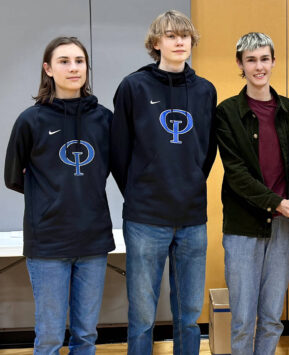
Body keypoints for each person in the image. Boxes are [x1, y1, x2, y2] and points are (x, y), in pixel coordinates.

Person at [110, 10, 217, 355]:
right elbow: (120, 151)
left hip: (191, 219)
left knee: (188, 316)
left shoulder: (204, 91)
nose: (179, 41)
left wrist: (189, 184)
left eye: (184, 36)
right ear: (156, 43)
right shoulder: (133, 87)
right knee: (142, 316)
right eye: (171, 36)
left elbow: (207, 150)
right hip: (145, 218)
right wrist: (141, 192)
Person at [4, 36, 114, 355]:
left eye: (79, 61)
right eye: (64, 61)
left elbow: (111, 168)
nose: (73, 67)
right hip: (48, 243)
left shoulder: (104, 119)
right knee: (50, 338)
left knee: (85, 335)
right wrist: (52, 196)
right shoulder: (31, 120)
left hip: (93, 241)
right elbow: (14, 177)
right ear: (48, 69)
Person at [215, 32, 289, 355]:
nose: (259, 66)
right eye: (251, 60)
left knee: (271, 318)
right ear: (240, 64)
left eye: (264, 58)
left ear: (274, 61)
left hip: (283, 227)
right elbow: (236, 174)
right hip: (242, 227)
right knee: (242, 320)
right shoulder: (226, 113)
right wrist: (276, 202)